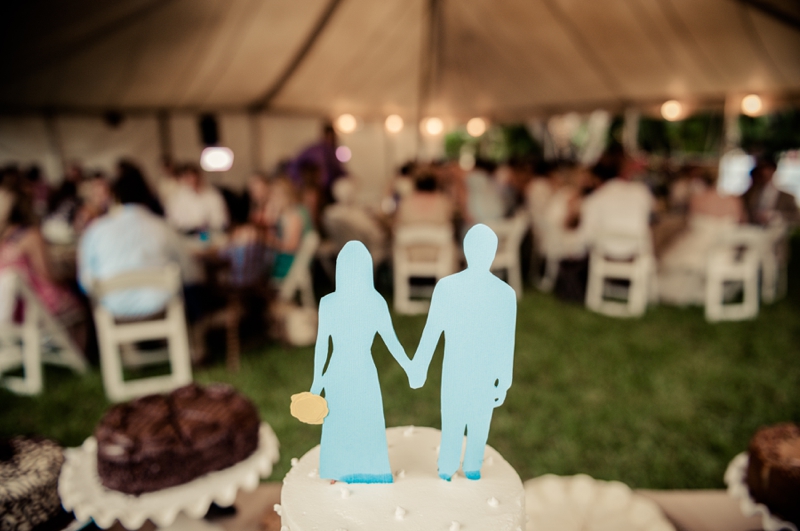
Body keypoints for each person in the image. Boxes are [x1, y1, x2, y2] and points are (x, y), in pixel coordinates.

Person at [409, 224, 516, 481]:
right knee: (475, 424)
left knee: (457, 422)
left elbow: (431, 333)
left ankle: (454, 468)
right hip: (478, 372)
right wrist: (503, 380)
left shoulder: (449, 287)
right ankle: (464, 467)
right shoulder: (504, 293)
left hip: (458, 370)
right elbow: (505, 342)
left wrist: (419, 366)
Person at [310, 241, 411, 483]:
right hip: (364, 369)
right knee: (366, 419)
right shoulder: (375, 302)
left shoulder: (328, 303)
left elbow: (323, 347)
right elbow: (393, 343)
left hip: (337, 370)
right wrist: (411, 367)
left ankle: (341, 469)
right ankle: (365, 470)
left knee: (343, 420)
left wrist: (317, 381)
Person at [78, 162, 200, 320]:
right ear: (147, 194)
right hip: (161, 310)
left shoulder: (95, 231)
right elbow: (190, 273)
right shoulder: (162, 227)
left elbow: (85, 282)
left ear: (115, 197)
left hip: (115, 313)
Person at [0, 187, 85, 346]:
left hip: (13, 309)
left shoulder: (4, 241)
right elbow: (46, 273)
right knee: (80, 296)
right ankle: (81, 357)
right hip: (35, 304)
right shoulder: (29, 235)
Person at [658, 168, 745, 305]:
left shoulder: (697, 199)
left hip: (699, 247)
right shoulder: (734, 200)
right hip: (724, 251)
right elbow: (741, 224)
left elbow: (689, 223)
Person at [264, 178, 312, 280]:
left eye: (276, 196)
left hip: (288, 263)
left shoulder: (293, 216)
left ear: (285, 196)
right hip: (280, 260)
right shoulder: (284, 215)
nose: (273, 199)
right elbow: (267, 222)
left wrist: (273, 243)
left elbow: (292, 247)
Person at [288, 124, 346, 206]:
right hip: (316, 187)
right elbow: (295, 164)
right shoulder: (318, 149)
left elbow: (338, 169)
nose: (331, 139)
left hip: (325, 189)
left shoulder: (330, 151)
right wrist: (299, 182)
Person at [165, 163, 228, 233]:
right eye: (188, 177)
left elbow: (221, 219)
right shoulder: (176, 198)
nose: (192, 180)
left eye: (194, 176)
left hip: (213, 233)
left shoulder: (212, 195)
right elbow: (174, 222)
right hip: (187, 236)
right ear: (182, 179)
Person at [742, 155, 799, 227]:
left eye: (767, 169)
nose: (764, 173)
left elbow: (796, 217)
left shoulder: (787, 197)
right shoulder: (749, 195)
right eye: (761, 170)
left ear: (773, 170)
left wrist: (775, 216)